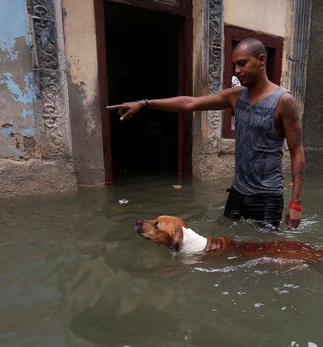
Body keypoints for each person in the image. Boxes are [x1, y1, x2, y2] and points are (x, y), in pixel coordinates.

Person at [107, 38, 305, 229]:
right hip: (238, 192)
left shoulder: (283, 101)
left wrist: (295, 204)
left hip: (267, 197)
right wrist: (144, 104)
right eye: (235, 65)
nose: (237, 71)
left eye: (242, 64)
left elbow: (297, 152)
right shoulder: (235, 96)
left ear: (261, 60)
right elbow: (190, 103)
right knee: (223, 246)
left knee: (263, 254)